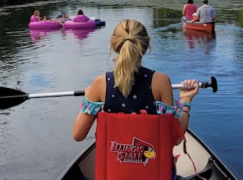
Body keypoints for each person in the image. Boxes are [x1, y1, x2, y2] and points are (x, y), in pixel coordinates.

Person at [72, 19, 200, 143]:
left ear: (113, 45)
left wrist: (88, 98)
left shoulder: (100, 84)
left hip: (113, 165)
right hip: (153, 163)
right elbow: (176, 138)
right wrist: (185, 101)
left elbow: (78, 135)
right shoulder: (161, 81)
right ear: (146, 45)